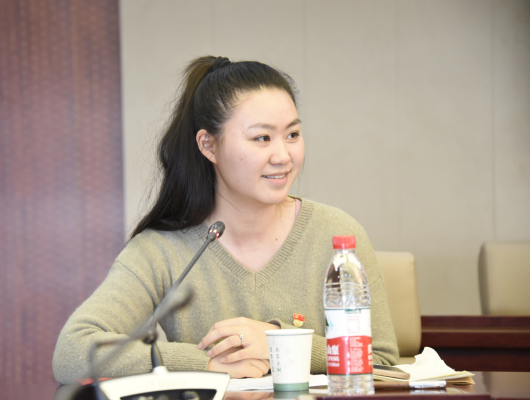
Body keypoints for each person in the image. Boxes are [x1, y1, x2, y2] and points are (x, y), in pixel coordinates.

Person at [52, 56, 399, 384]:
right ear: (209, 146)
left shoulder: (338, 234)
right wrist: (203, 362)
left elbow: (382, 359)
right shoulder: (161, 250)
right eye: (262, 138)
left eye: (292, 134)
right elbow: (72, 352)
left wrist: (279, 342)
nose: (283, 155)